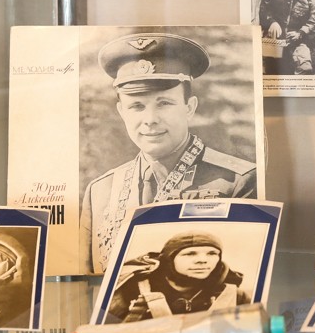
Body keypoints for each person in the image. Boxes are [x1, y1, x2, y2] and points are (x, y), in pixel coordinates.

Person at [80, 33, 257, 274]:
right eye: (137, 106)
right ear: (122, 112)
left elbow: (241, 273)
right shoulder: (100, 191)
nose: (150, 119)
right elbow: (90, 281)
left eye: (164, 103)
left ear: (189, 108)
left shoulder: (237, 181)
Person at [104, 232, 250, 323]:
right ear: (170, 259)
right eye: (190, 254)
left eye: (212, 253)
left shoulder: (233, 295)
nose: (203, 260)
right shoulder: (131, 290)